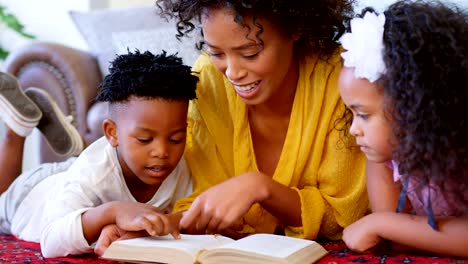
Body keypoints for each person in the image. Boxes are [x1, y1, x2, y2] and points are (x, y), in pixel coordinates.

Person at [156, 0, 368, 240]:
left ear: (295, 28)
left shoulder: (342, 80)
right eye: (216, 53)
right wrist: (158, 226)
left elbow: (344, 218)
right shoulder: (209, 79)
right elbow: (204, 198)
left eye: (250, 53)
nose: (232, 72)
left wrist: (261, 188)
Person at [0, 50, 198, 258]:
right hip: (31, 196)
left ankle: (73, 144)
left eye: (176, 139)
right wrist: (113, 211)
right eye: (145, 140)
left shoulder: (180, 166)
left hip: (76, 174)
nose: (162, 152)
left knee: (85, 172)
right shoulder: (93, 173)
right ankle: (16, 131)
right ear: (112, 133)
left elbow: (184, 215)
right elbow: (50, 242)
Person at [338, 0, 468, 257]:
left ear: (416, 106)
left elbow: (390, 227)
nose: (354, 129)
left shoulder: (460, 152)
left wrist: (382, 224)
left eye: (363, 115)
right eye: (350, 114)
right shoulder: (385, 156)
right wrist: (390, 226)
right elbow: (396, 240)